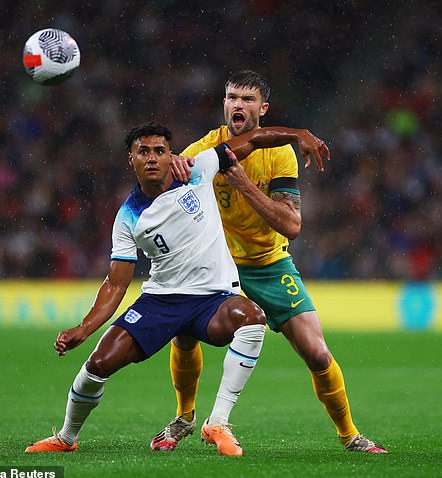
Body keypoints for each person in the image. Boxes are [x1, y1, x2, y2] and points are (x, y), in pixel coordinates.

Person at [25, 121, 329, 457]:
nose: (152, 158)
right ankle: (66, 438)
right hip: (161, 301)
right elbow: (116, 282)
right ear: (131, 159)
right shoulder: (128, 217)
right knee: (98, 363)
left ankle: (218, 422)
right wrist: (84, 327)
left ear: (173, 155)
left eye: (160, 151)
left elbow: (254, 139)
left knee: (251, 319)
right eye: (144, 152)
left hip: (212, 299)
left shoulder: (200, 169)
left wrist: (300, 135)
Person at [151, 71, 387, 453]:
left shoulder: (279, 153)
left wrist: (241, 182)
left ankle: (350, 435)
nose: (237, 105)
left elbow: (291, 225)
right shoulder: (208, 146)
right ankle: (184, 416)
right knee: (183, 332)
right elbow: (172, 178)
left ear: (263, 108)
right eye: (231, 97)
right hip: (218, 264)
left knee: (316, 351)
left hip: (268, 264)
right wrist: (173, 170)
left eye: (247, 99)